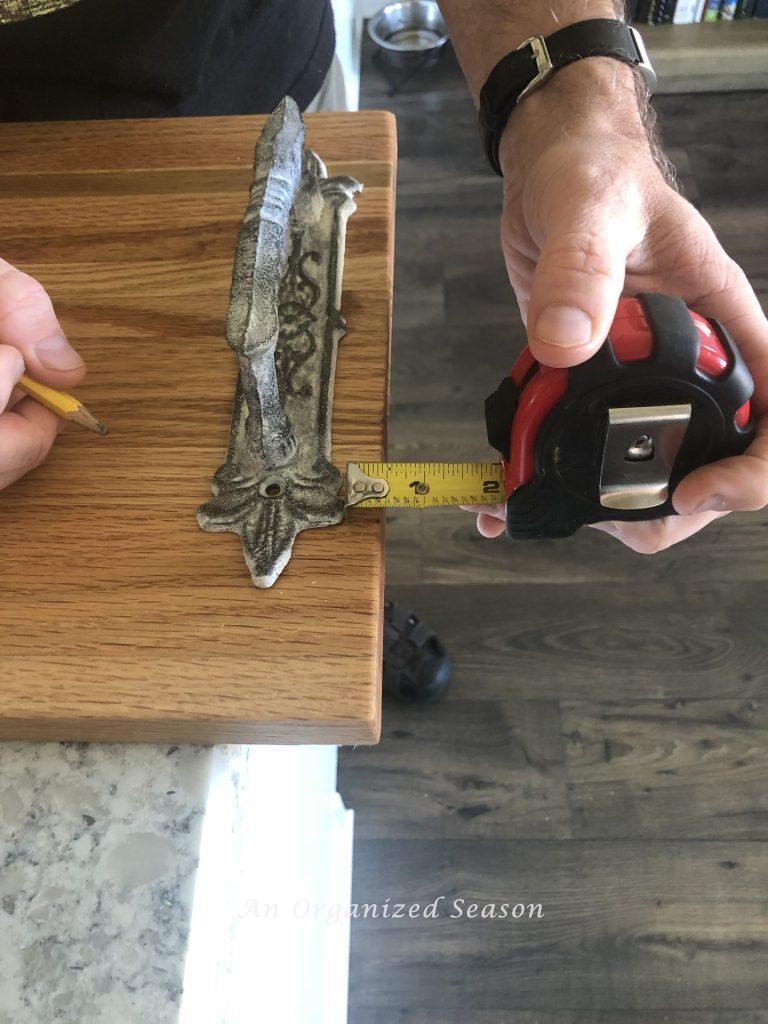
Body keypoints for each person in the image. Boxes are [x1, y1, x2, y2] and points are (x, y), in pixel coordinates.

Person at [0, 0, 765, 553]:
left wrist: (575, 115)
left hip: (253, 79)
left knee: (342, 569)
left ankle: (363, 593)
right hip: (32, 185)